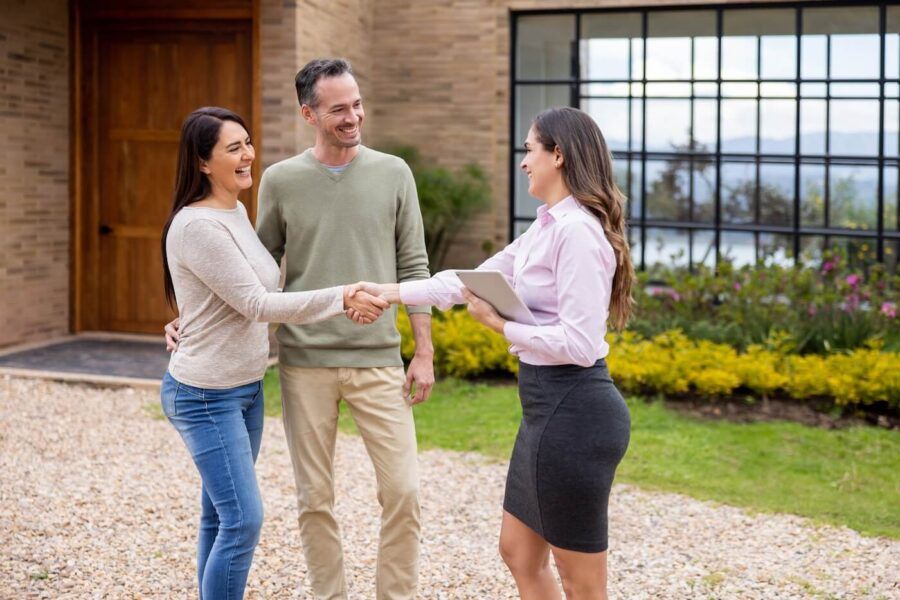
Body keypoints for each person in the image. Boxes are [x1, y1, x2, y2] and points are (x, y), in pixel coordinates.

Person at [167, 59, 433, 600]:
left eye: (357, 104)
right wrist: (186, 316)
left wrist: (422, 351)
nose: (353, 116)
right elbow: (248, 271)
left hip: (378, 356)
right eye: (338, 108)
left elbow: (415, 267)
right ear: (309, 113)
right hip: (304, 362)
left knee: (403, 492)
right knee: (315, 499)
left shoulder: (394, 173)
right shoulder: (279, 180)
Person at [350, 106, 634, 600]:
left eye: (530, 149)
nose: (524, 161)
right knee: (519, 552)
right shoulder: (545, 226)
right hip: (545, 411)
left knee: (581, 580)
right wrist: (389, 292)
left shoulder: (579, 233)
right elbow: (466, 281)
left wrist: (501, 325)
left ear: (559, 156)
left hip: (577, 413)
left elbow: (580, 344)